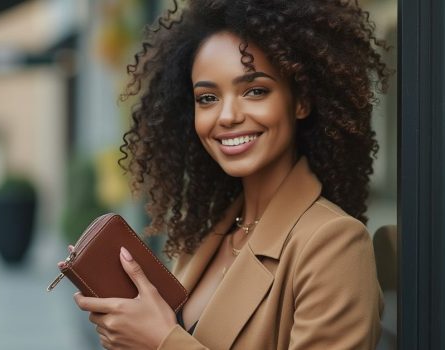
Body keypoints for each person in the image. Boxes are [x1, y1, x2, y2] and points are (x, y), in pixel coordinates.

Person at [61, 0, 390, 348]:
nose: (227, 115)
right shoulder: (212, 232)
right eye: (207, 98)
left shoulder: (334, 244)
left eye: (255, 91)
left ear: (301, 100)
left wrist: (160, 341)